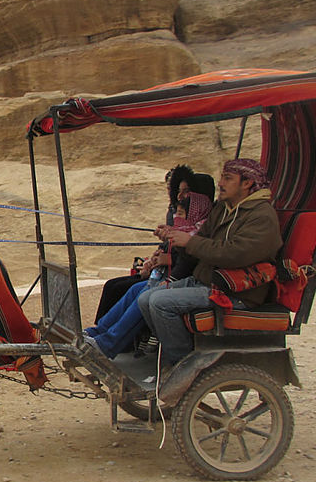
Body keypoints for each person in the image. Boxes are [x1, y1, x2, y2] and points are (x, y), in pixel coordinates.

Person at [137, 158, 282, 373]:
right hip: (207, 280)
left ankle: (182, 368)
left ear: (248, 184)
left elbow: (235, 254)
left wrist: (190, 241)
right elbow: (200, 240)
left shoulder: (261, 216)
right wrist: (175, 237)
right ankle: (175, 353)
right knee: (145, 298)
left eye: (228, 178)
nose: (221, 183)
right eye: (222, 177)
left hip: (237, 292)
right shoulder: (224, 209)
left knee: (160, 302)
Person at [84, 182, 212, 358]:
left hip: (185, 278)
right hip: (170, 273)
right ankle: (99, 331)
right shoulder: (187, 229)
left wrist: (169, 264)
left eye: (181, 214)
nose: (177, 218)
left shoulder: (199, 232)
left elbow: (188, 261)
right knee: (133, 289)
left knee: (147, 295)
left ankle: (109, 343)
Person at [94, 165, 201, 321]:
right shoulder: (175, 211)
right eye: (177, 191)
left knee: (141, 294)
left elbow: (192, 258)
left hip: (176, 275)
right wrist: (155, 258)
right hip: (164, 269)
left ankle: (112, 338)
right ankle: (101, 331)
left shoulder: (199, 221)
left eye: (185, 191)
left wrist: (168, 260)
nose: (180, 196)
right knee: (114, 286)